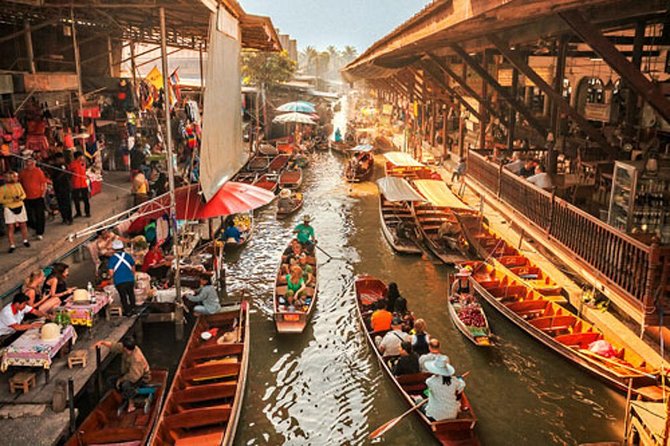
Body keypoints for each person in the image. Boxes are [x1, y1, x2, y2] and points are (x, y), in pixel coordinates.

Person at [95, 337, 151, 413]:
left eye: (129, 351)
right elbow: (114, 346)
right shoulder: (125, 347)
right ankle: (126, 396)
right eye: (126, 350)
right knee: (110, 380)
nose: (127, 352)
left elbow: (134, 377)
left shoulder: (137, 358)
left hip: (141, 377)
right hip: (128, 373)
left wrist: (121, 380)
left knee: (125, 384)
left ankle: (131, 404)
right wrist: (102, 342)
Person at [0, 171, 30, 252]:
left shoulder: (18, 185)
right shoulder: (3, 188)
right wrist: (11, 200)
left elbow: (24, 195)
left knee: (23, 224)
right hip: (9, 208)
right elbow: (1, 200)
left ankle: (25, 240)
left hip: (20, 205)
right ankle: (12, 245)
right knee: (10, 227)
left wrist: (19, 198)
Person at [19, 158, 48, 240]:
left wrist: (43, 194)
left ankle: (40, 232)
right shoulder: (22, 172)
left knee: (39, 215)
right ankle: (35, 227)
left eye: (31, 164)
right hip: (27, 197)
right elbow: (20, 183)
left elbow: (44, 183)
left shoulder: (38, 171)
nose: (29, 165)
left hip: (38, 196)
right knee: (29, 216)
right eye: (27, 164)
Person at [108, 240, 136, 315]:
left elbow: (111, 272)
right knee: (131, 294)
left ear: (114, 249)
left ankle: (127, 311)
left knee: (123, 296)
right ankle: (133, 308)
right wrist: (132, 276)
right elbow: (133, 267)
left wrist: (110, 278)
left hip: (119, 281)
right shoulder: (127, 256)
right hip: (130, 279)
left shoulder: (112, 258)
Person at [49, 153, 73, 225]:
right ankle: (64, 218)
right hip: (58, 188)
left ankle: (69, 218)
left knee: (67, 204)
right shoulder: (53, 167)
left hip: (66, 188)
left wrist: (64, 171)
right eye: (58, 159)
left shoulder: (65, 166)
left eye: (61, 158)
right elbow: (54, 177)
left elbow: (69, 175)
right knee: (61, 204)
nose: (60, 160)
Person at [68, 151, 90, 218]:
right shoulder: (72, 164)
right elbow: (69, 173)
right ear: (77, 157)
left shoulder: (83, 163)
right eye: (80, 156)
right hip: (76, 184)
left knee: (86, 199)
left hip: (83, 184)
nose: (82, 157)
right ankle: (78, 213)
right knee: (76, 200)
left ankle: (87, 212)